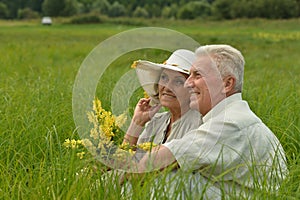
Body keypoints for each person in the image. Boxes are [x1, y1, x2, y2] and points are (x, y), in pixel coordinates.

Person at [129, 44, 288, 198]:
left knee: (171, 178)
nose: (187, 83)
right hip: (232, 192)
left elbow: (160, 158)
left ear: (226, 84)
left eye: (197, 75)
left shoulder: (231, 122)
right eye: (189, 75)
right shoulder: (228, 116)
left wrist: (113, 183)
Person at [123, 49, 202, 161]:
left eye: (178, 81)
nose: (167, 87)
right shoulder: (156, 121)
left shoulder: (198, 124)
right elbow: (124, 161)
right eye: (164, 78)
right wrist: (137, 122)